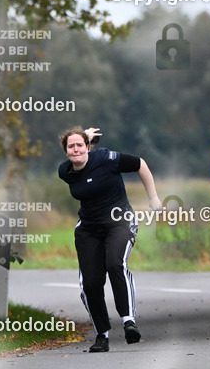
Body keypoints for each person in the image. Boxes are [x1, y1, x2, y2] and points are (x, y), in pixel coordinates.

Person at [58, 127, 161, 353]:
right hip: (89, 228)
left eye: (80, 145)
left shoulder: (106, 158)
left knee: (115, 263)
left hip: (119, 222)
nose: (75, 150)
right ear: (66, 151)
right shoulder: (65, 171)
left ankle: (128, 321)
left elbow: (140, 164)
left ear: (87, 147)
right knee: (91, 283)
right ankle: (102, 335)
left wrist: (153, 197)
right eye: (71, 146)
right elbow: (83, 163)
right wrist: (86, 138)